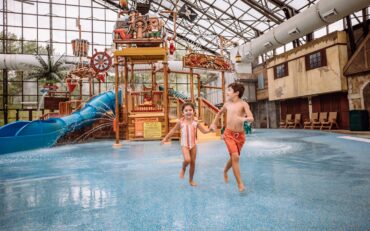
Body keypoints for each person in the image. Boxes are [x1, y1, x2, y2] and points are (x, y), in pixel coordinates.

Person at [210, 83, 254, 192]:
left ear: (236, 93)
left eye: (229, 90)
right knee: (236, 157)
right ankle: (240, 184)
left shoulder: (244, 104)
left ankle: (225, 170)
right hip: (228, 134)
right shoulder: (227, 104)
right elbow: (219, 113)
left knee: (234, 157)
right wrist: (214, 123)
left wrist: (243, 119)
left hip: (240, 136)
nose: (227, 92)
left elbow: (251, 118)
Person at [161, 102, 211, 186]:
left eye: (190, 110)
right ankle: (183, 168)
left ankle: (191, 180)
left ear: (194, 111)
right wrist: (166, 138)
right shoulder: (181, 122)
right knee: (187, 160)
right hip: (184, 145)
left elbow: (204, 131)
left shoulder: (196, 122)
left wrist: (210, 130)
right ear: (183, 113)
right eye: (186, 110)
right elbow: (173, 130)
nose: (188, 112)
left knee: (193, 162)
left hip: (193, 144)